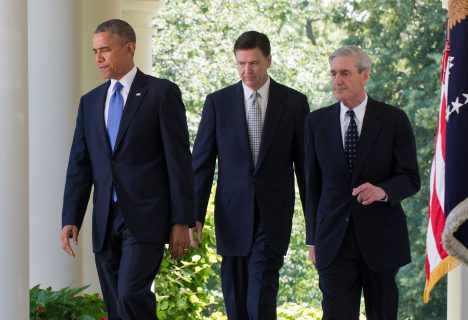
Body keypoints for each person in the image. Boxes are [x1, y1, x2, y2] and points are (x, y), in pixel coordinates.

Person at [59, 19, 194, 320]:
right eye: (95, 51)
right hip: (105, 219)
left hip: (146, 218)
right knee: (116, 304)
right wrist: (71, 217)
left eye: (105, 50)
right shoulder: (90, 102)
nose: (98, 59)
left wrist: (181, 220)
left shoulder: (161, 94)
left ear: (130, 48)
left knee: (131, 294)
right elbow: (80, 164)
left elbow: (179, 161)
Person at [191, 31, 309, 319]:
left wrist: (315, 228)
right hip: (231, 218)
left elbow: (306, 170)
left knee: (261, 297)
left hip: (272, 218)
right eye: (241, 64)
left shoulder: (294, 104)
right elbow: (202, 165)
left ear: (268, 60)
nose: (247, 71)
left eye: (254, 63)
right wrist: (192, 215)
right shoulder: (217, 103)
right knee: (236, 303)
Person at [304, 45, 421, 319]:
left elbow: (410, 178)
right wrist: (313, 239)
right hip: (333, 242)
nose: (337, 80)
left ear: (365, 74)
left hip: (381, 241)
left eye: (345, 72)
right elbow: (312, 186)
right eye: (333, 73)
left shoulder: (393, 120)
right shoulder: (316, 122)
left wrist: (382, 191)